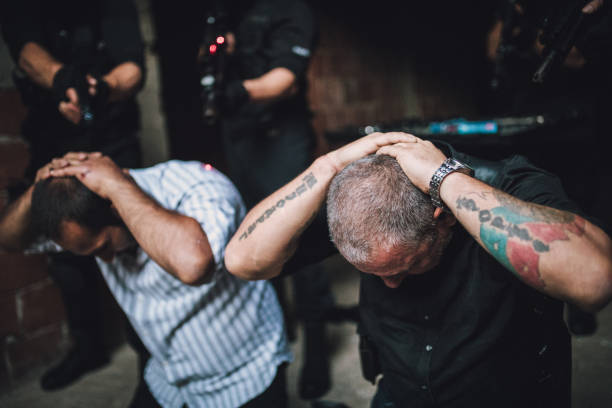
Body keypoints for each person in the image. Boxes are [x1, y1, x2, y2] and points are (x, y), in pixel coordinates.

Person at [224, 131, 612, 408]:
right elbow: (242, 260)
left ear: (441, 219)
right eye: (373, 273)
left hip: (507, 393)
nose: (388, 284)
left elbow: (594, 279)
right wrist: (329, 164)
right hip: (400, 390)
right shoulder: (362, 197)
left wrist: (445, 179)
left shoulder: (511, 182)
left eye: (404, 267)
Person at [0, 153, 292, 407]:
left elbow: (194, 265)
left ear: (114, 206)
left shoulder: (197, 186)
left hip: (243, 377)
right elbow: (7, 238)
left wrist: (117, 185)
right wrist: (44, 186)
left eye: (104, 246)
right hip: (168, 379)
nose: (106, 260)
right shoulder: (78, 214)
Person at [0, 0, 146, 390]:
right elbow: (24, 47)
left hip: (114, 135)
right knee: (64, 255)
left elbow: (134, 65)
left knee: (133, 243)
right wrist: (63, 79)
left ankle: (149, 344)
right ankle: (88, 346)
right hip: (51, 136)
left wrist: (101, 89)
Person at [214, 0, 337, 399]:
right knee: (256, 234)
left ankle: (317, 344)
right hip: (240, 138)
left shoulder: (292, 10)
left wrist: (237, 91)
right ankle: (279, 331)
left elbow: (286, 79)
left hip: (282, 137)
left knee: (300, 235)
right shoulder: (226, 11)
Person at [485, 0, 612, 335]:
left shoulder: (577, 13)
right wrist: (512, 17)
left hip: (574, 124)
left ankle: (577, 302)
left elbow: (580, 58)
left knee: (577, 205)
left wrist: (535, 42)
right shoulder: (513, 13)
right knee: (530, 200)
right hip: (529, 123)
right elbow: (493, 51)